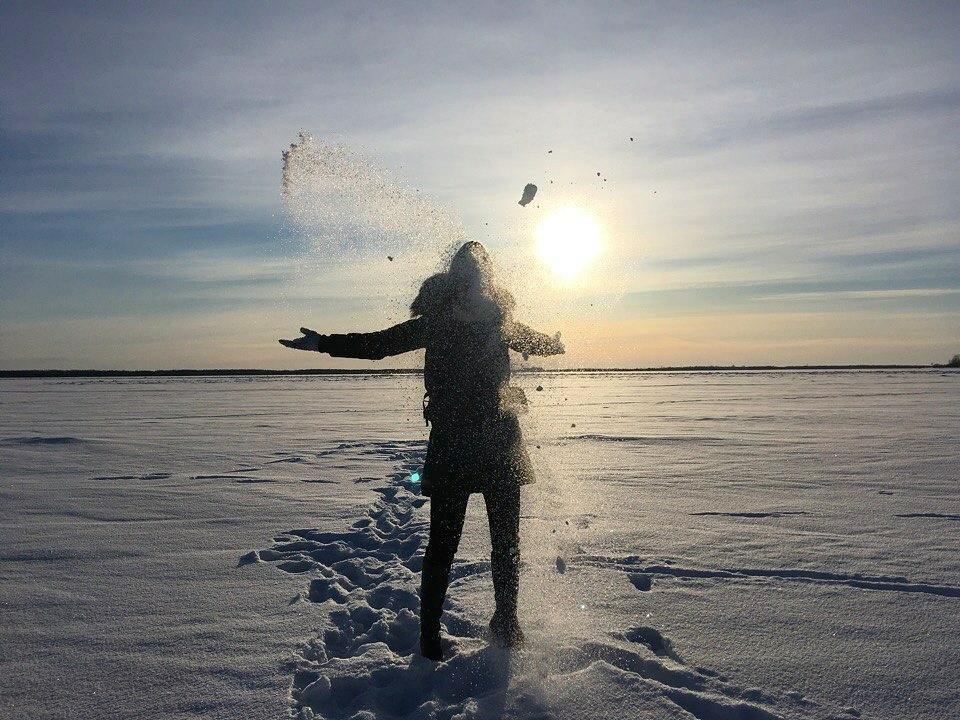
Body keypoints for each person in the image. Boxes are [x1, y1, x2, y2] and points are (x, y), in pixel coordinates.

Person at [279, 241, 565, 661]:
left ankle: (486, 626)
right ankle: (466, 630)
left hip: (485, 444)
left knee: (479, 544)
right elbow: (377, 345)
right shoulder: (471, 321)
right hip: (478, 445)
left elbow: (377, 344)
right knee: (476, 544)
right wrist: (323, 343)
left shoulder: (488, 322)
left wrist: (323, 342)